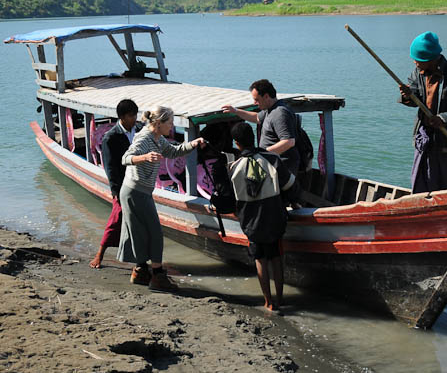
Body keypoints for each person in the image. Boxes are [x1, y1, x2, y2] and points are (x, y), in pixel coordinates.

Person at [118, 106, 205, 292]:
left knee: (140, 232)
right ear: (158, 124)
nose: (172, 126)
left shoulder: (159, 138)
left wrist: (193, 144)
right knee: (155, 233)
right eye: (170, 123)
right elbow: (126, 158)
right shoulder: (144, 139)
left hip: (142, 191)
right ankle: (158, 276)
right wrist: (144, 157)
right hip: (134, 191)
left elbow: (173, 152)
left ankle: (140, 272)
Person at [227, 122, 296, 312]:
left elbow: (230, 199)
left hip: (251, 221)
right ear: (254, 138)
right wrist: (293, 203)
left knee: (260, 260)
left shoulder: (233, 168)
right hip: (274, 216)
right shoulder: (272, 159)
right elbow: (290, 185)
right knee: (275, 257)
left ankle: (268, 302)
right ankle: (280, 299)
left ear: (236, 143)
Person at [398, 31, 447, 193]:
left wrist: (443, 118)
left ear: (431, 59)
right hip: (424, 136)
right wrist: (407, 95)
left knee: (443, 182)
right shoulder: (417, 73)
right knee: (420, 180)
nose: (415, 63)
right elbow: (414, 100)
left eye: (418, 60)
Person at [222, 79, 301, 205]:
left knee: (279, 199)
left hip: (281, 165)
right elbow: (257, 118)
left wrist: (261, 154)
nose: (255, 102)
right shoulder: (269, 109)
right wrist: (236, 111)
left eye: (257, 99)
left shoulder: (280, 113)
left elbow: (289, 141)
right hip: (270, 163)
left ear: (266, 96)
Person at [89, 99, 142, 269]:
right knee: (116, 220)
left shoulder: (140, 131)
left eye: (135, 114)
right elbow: (110, 167)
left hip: (140, 184)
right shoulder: (110, 138)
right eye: (131, 115)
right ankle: (100, 254)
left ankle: (139, 259)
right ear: (122, 117)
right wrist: (116, 192)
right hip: (123, 186)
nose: (134, 118)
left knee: (140, 222)